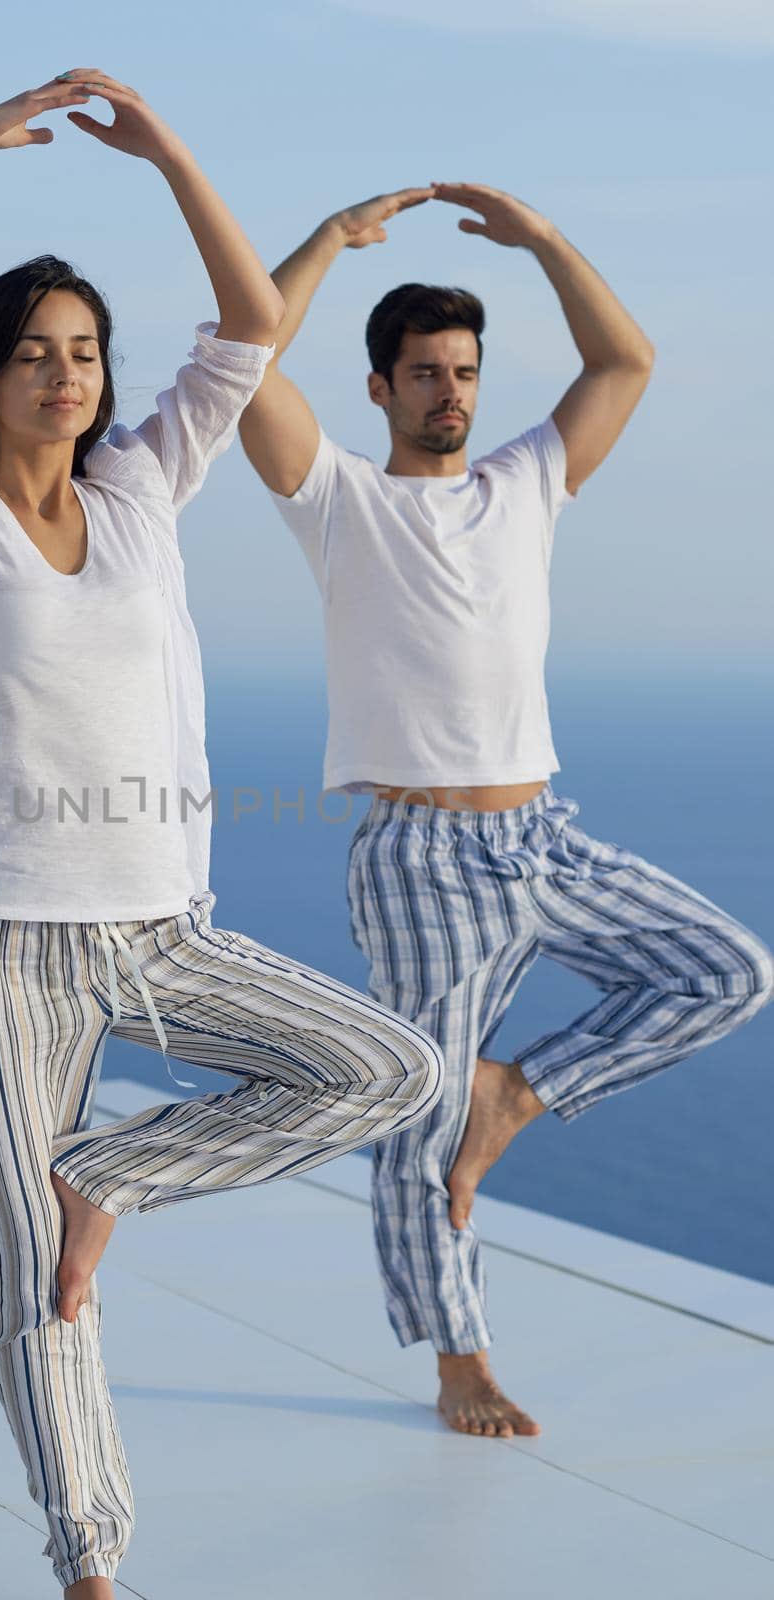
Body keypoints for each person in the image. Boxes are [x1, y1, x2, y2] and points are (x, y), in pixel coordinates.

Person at [0, 75, 446, 1599]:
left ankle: (116, 1177)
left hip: (159, 924)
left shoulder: (149, 486)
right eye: (33, 354)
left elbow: (247, 321)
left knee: (388, 1068)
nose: (66, 375)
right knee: (33, 1284)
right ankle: (92, 1563)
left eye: (85, 352)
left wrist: (168, 154)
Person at [237, 182, 774, 1442]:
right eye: (424, 372)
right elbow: (244, 357)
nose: (450, 392)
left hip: (544, 832)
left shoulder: (528, 479)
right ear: (379, 388)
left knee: (731, 971)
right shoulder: (338, 499)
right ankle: (458, 1356)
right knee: (414, 1115)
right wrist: (325, 242)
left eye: (465, 370)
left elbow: (624, 357)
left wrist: (540, 243)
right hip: (423, 855)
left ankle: (518, 1095)